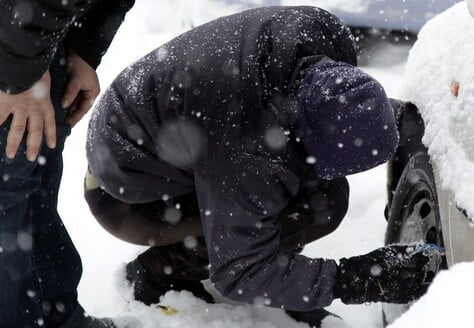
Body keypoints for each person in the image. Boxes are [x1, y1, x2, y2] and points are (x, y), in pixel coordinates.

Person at [84, 6, 443, 327]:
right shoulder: (248, 146)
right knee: (313, 209)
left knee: (321, 194)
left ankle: (287, 280)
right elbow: (240, 271)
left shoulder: (322, 35)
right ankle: (158, 272)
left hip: (178, 126)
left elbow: (358, 115)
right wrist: (355, 278)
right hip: (127, 193)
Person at [0, 1, 139, 327]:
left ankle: (55, 317)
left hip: (40, 35)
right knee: (8, 195)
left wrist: (85, 46)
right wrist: (16, 76)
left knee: (33, 180)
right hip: (17, 37)